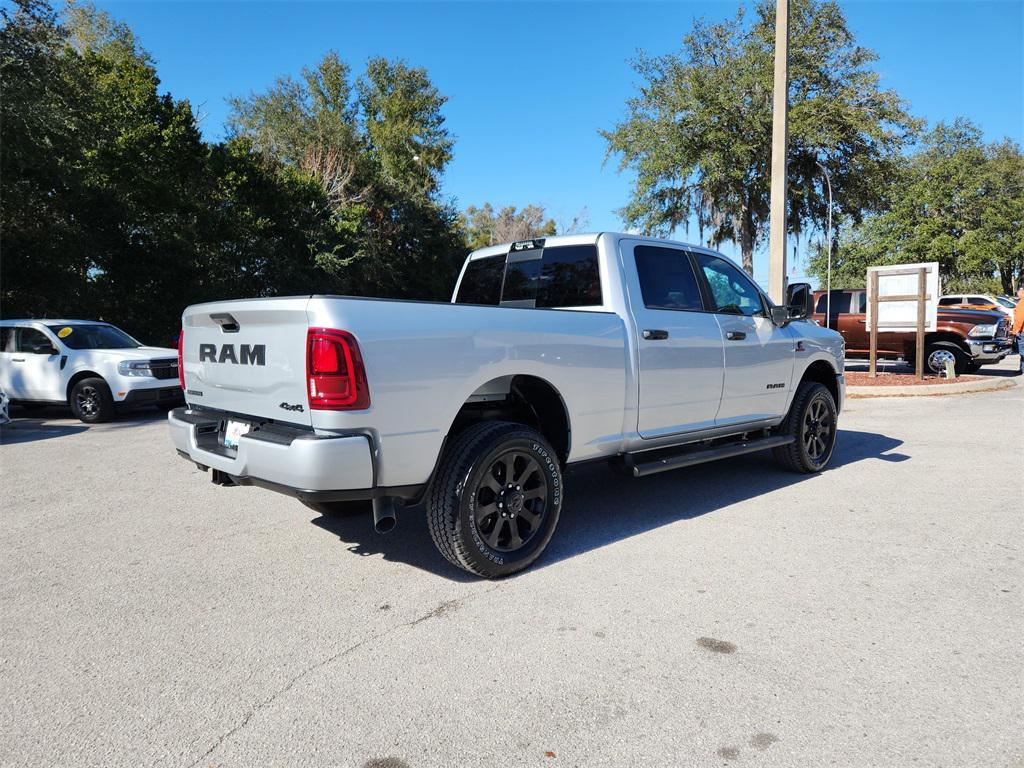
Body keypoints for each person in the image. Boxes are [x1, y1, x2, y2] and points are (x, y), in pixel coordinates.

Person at [1013, 286, 1024, 375]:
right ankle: (1021, 369)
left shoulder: (1021, 303)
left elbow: (1020, 318)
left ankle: (1022, 370)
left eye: (1018, 292)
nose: (1017, 294)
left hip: (1022, 331)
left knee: (1022, 352)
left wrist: (1017, 330)